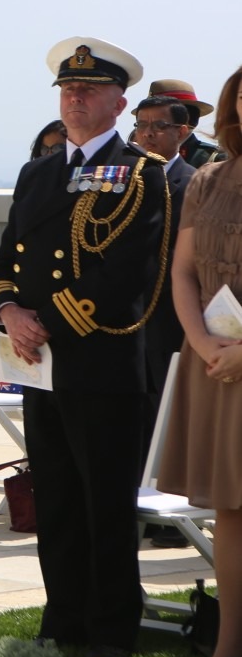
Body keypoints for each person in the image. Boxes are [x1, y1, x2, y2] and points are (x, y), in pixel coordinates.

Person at [0, 36, 169, 657]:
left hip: (100, 363)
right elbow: (9, 256)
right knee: (58, 500)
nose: (75, 97)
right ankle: (62, 618)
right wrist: (9, 311)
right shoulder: (39, 171)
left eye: (89, 89)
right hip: (39, 365)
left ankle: (112, 628)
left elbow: (126, 274)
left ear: (118, 103)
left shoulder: (141, 175)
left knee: (104, 504)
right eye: (68, 89)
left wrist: (47, 324)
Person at [160, 63, 242, 657]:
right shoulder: (208, 181)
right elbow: (183, 271)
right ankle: (229, 646)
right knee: (231, 512)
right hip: (214, 363)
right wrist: (202, 342)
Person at [132, 95, 198, 454]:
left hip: (170, 313)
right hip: (125, 312)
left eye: (159, 126)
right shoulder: (124, 177)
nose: (148, 134)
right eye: (141, 125)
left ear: (182, 132)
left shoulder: (194, 184)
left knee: (167, 407)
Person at [148, 79, 227, 168]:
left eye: (159, 124)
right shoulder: (139, 158)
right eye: (143, 123)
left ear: (186, 120)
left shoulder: (214, 159)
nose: (147, 132)